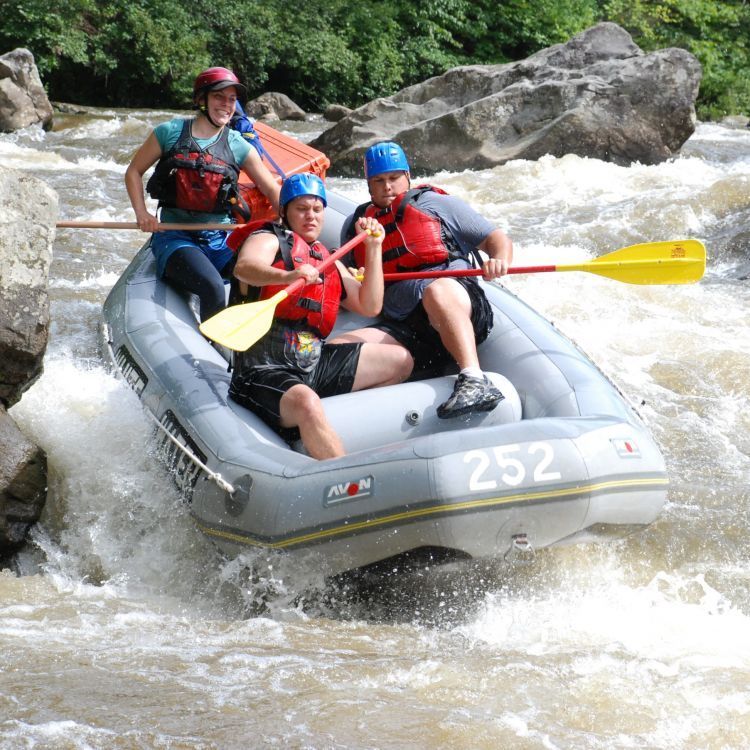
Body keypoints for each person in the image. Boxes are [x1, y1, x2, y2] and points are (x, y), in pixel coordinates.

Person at [228, 173, 413, 460]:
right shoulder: (267, 239)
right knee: (306, 401)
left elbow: (370, 306)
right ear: (285, 212)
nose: (310, 216)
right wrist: (289, 274)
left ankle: (325, 431)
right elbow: (245, 268)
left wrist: (374, 249)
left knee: (400, 361)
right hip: (262, 369)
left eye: (317, 210)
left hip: (312, 365)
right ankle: (339, 470)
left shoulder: (327, 261)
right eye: (301, 209)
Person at [336, 141, 514, 419]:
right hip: (407, 324)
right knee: (338, 349)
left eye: (394, 178)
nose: (388, 187)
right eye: (378, 180)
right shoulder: (356, 224)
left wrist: (499, 259)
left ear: (407, 177)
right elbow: (350, 282)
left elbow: (495, 239)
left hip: (457, 305)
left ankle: (474, 379)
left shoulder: (437, 204)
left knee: (436, 289)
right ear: (368, 185)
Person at [124, 67, 280, 322]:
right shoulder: (169, 132)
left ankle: (241, 348)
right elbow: (133, 172)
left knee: (255, 276)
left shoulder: (238, 144)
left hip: (221, 237)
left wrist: (285, 220)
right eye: (220, 97)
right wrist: (142, 214)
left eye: (232, 100)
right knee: (212, 287)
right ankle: (212, 350)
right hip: (175, 236)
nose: (227, 105)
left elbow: (271, 189)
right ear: (201, 100)